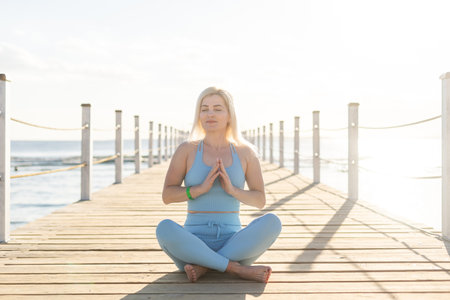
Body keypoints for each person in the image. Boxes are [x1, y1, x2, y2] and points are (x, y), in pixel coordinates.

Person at [156, 87, 282, 283]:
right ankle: (234, 268)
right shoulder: (187, 150)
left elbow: (260, 200)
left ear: (229, 115)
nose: (210, 114)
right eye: (204, 108)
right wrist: (198, 190)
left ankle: (205, 266)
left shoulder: (246, 153)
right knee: (164, 228)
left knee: (273, 222)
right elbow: (167, 196)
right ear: (198, 115)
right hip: (193, 245)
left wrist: (233, 190)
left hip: (234, 244)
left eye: (217, 108)